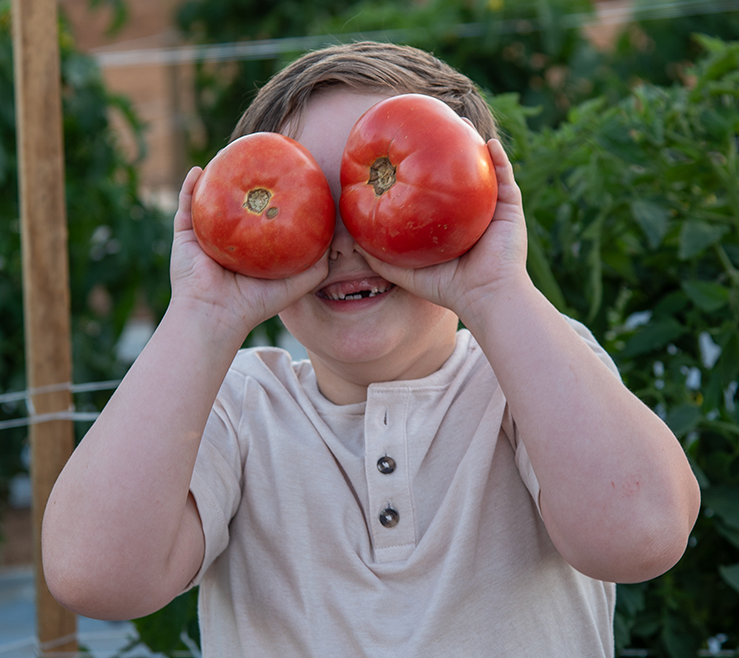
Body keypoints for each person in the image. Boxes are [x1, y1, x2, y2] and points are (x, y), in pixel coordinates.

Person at [42, 41, 700, 656]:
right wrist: (202, 314)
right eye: (305, 199)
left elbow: (641, 535)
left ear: (480, 202)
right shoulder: (236, 409)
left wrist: (498, 289)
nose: (345, 240)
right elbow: (96, 576)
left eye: (390, 181)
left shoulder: (531, 381)